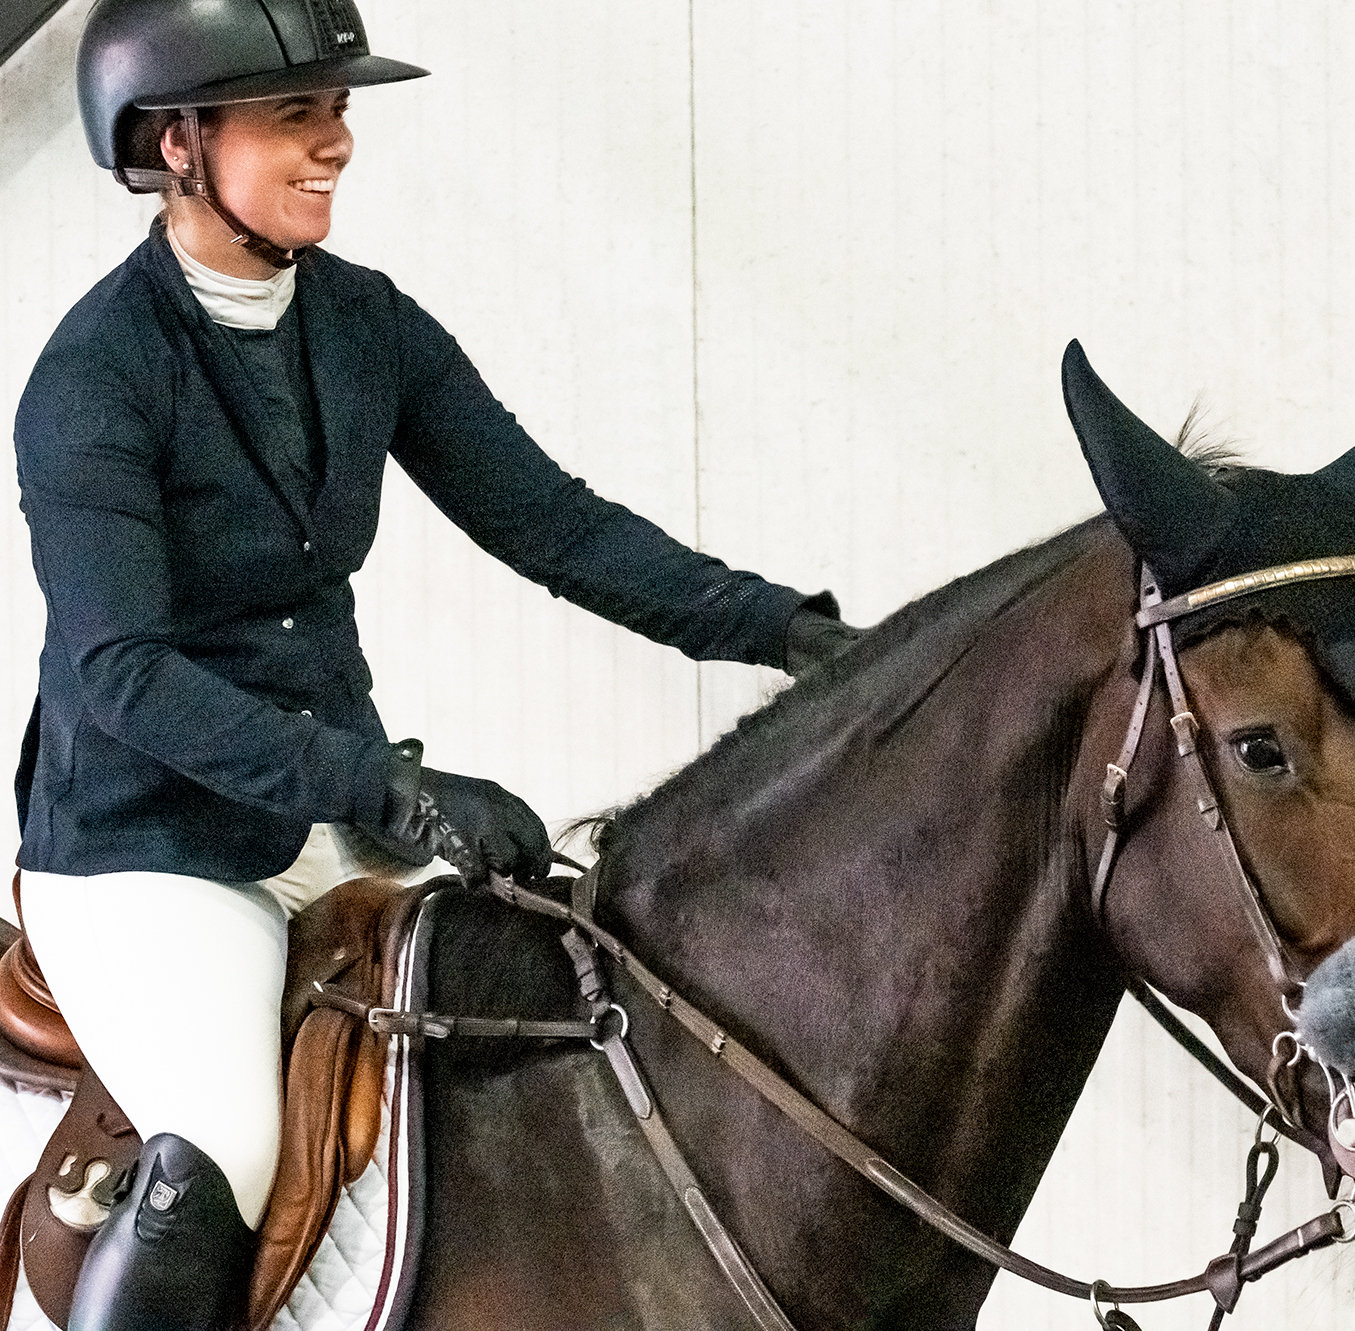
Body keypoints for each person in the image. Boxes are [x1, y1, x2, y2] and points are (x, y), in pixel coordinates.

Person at [10, 0, 862, 1324]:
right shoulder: (95, 379)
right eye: (298, 115)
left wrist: (790, 633)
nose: (337, 142)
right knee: (223, 1148)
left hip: (324, 815)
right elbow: (123, 673)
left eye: (339, 111)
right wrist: (392, 789)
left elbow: (557, 525)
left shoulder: (363, 327)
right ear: (178, 144)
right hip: (143, 847)